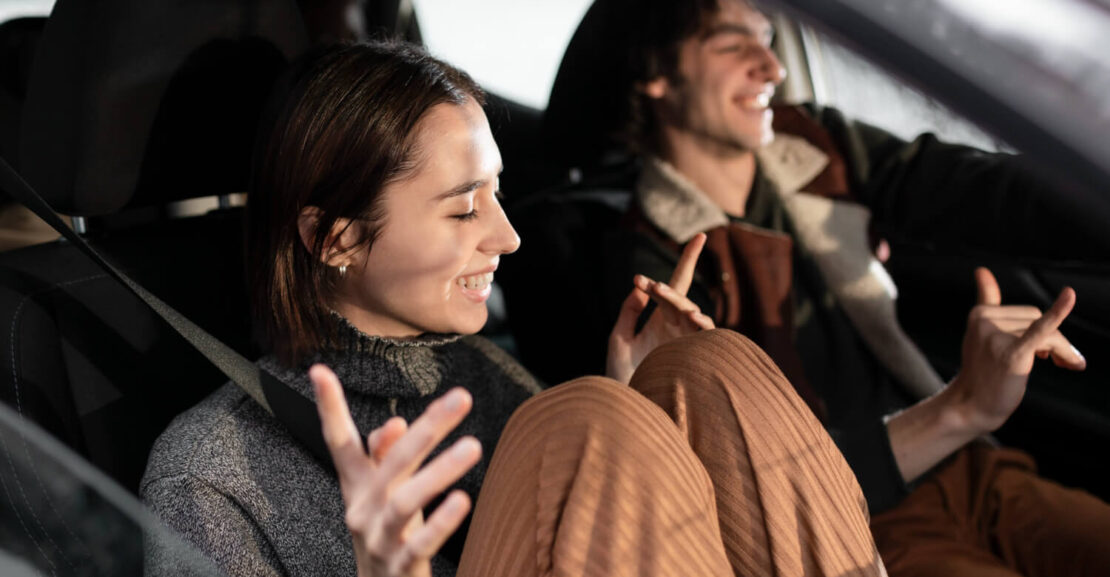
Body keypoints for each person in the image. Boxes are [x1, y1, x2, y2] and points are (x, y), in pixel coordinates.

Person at [140, 41, 888, 577]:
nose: (508, 234)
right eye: (465, 209)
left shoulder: (482, 373)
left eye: (496, 193)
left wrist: (635, 407)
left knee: (710, 365)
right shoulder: (208, 476)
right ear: (334, 237)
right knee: (582, 418)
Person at [568, 0, 1110, 575]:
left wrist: (1089, 183)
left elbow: (984, 193)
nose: (772, 69)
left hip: (972, 468)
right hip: (860, 526)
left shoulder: (817, 142)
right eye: (733, 46)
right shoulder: (651, 268)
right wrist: (963, 406)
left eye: (767, 39)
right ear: (655, 74)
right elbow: (752, 490)